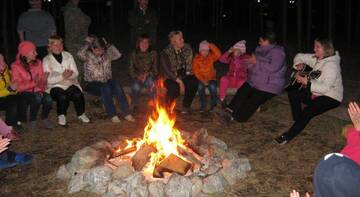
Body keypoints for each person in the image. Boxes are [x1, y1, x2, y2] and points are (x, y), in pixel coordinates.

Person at [275, 38, 343, 145]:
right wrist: (298, 65)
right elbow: (300, 56)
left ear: (325, 49)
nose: (314, 49)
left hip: (331, 97)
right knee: (293, 93)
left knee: (308, 112)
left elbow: (325, 88)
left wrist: (307, 83)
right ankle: (298, 120)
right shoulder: (318, 58)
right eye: (314, 46)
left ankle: (287, 137)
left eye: (317, 47)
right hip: (316, 92)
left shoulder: (331, 65)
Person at [222, 32, 287, 123]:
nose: (259, 43)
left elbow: (273, 68)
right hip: (256, 80)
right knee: (244, 89)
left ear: (267, 41)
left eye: (261, 41)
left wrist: (256, 62)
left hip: (270, 85)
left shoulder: (278, 52)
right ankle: (230, 109)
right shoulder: (259, 49)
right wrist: (248, 64)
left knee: (253, 100)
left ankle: (238, 117)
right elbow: (253, 64)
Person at [78, 35, 135, 123]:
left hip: (106, 81)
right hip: (92, 83)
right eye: (97, 50)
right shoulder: (87, 56)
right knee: (105, 88)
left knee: (116, 85)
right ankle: (112, 114)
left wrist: (107, 44)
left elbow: (118, 55)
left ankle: (127, 113)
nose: (100, 52)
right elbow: (79, 54)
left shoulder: (107, 55)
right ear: (92, 48)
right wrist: (88, 43)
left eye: (102, 49)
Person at [43, 36, 89, 126]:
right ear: (50, 47)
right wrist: (62, 77)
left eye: (60, 44)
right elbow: (48, 80)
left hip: (69, 82)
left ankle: (81, 114)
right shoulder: (46, 60)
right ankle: (61, 115)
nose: (59, 47)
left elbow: (75, 72)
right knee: (62, 96)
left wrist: (68, 77)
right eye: (55, 45)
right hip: (55, 86)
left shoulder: (68, 56)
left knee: (78, 94)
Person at [11, 41, 54, 131]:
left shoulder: (38, 62)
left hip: (38, 90)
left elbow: (41, 82)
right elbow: (18, 87)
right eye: (33, 51)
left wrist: (44, 80)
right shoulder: (15, 66)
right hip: (23, 93)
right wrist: (34, 83)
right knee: (37, 97)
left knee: (48, 99)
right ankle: (32, 120)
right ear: (25, 53)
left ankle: (44, 118)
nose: (37, 53)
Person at [159, 31, 198, 113]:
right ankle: (167, 108)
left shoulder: (187, 48)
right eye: (180, 39)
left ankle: (185, 106)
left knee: (193, 82)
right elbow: (167, 71)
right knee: (174, 88)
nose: (183, 40)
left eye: (182, 38)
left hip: (184, 74)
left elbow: (197, 59)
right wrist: (180, 82)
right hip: (170, 76)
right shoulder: (165, 53)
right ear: (174, 42)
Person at [129, 34, 158, 112]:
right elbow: (130, 69)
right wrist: (137, 76)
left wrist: (147, 74)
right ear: (138, 43)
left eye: (147, 42)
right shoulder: (134, 54)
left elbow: (155, 70)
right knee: (136, 86)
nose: (144, 44)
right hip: (137, 76)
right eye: (142, 42)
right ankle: (135, 105)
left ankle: (154, 105)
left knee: (151, 83)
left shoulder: (153, 53)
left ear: (149, 44)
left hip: (149, 75)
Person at [63, 0, 91, 79]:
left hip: (79, 42)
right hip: (75, 43)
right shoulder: (70, 9)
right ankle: (79, 88)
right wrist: (84, 38)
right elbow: (73, 29)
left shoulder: (75, 8)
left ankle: (82, 86)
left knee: (82, 66)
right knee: (78, 68)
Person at [219, 40, 251, 107]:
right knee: (223, 79)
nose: (237, 53)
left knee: (243, 83)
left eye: (239, 51)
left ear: (242, 52)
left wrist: (236, 57)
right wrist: (228, 52)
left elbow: (239, 65)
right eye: (236, 50)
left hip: (240, 80)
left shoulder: (245, 59)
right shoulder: (231, 58)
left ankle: (241, 101)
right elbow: (221, 60)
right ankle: (222, 99)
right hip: (231, 79)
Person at [192, 40, 221, 112]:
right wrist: (202, 80)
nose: (205, 52)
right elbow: (196, 71)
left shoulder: (211, 57)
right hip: (201, 79)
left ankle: (213, 104)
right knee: (200, 87)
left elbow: (218, 54)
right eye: (203, 50)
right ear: (200, 51)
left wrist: (210, 45)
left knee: (213, 87)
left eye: (207, 50)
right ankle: (203, 105)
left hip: (211, 78)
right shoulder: (196, 59)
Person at [0, 53, 23, 137]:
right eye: (0, 61)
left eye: (3, 60)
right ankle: (7, 131)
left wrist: (14, 89)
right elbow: (8, 88)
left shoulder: (5, 70)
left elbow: (9, 84)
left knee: (20, 98)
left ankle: (17, 121)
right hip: (2, 96)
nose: (3, 63)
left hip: (5, 95)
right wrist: (9, 90)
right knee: (11, 104)